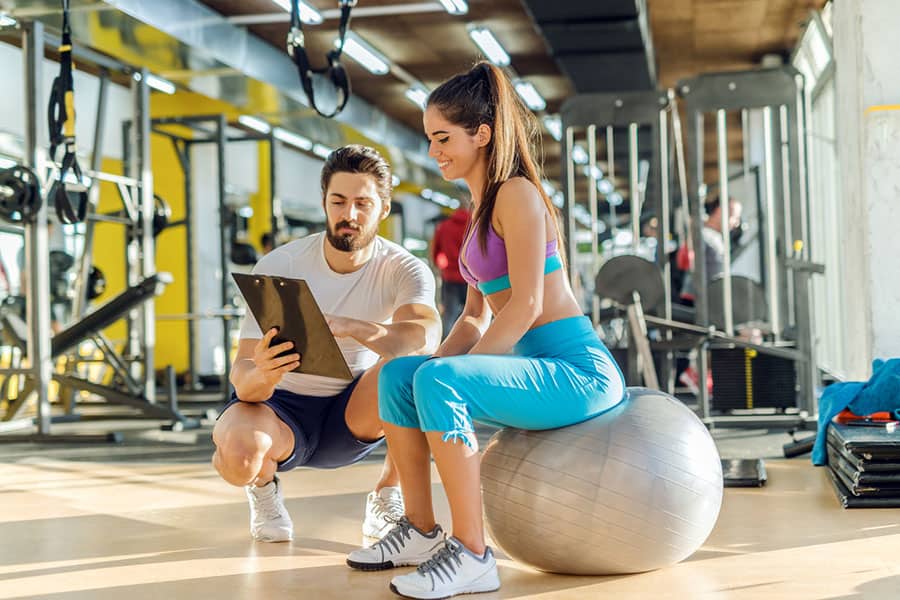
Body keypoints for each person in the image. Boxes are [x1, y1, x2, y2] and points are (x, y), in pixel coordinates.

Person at [345, 63, 626, 598]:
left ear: (482, 134)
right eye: (430, 139)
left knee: (438, 381)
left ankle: (473, 554)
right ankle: (422, 532)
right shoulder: (478, 211)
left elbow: (525, 305)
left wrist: (452, 374)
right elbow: (474, 317)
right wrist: (433, 366)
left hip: (577, 372)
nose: (434, 152)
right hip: (532, 364)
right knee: (399, 375)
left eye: (443, 138)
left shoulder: (517, 194)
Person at [213, 145, 441, 545]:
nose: (348, 215)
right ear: (324, 203)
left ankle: (387, 492)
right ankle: (263, 489)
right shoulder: (280, 265)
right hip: (281, 410)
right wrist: (265, 373)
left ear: (383, 209)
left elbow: (425, 335)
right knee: (236, 459)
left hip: (354, 413)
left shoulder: (403, 268)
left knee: (411, 369)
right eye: (338, 201)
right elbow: (242, 378)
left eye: (362, 203)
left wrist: (355, 327)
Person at [430, 207, 471, 337]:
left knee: (449, 314)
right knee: (472, 314)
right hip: (470, 278)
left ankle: (446, 346)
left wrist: (442, 267)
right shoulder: (473, 225)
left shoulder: (444, 227)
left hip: (450, 277)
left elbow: (435, 251)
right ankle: (471, 345)